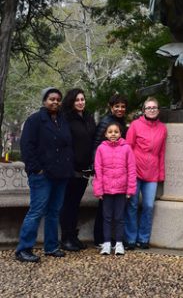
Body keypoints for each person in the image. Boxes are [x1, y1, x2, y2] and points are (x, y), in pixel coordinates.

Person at [15, 87, 74, 262]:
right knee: (36, 211)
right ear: (44, 101)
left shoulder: (63, 120)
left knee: (54, 212)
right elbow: (27, 147)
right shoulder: (34, 120)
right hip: (42, 175)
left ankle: (51, 246)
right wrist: (36, 169)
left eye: (58, 99)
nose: (55, 102)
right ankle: (23, 249)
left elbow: (67, 145)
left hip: (61, 174)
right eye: (51, 99)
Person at [125, 97, 167, 249]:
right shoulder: (135, 125)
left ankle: (143, 238)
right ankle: (130, 239)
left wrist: (161, 174)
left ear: (158, 110)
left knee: (148, 206)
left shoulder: (162, 128)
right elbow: (128, 148)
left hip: (152, 173)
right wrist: (127, 170)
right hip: (135, 171)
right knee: (132, 205)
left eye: (154, 107)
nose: (151, 110)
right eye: (148, 108)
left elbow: (162, 153)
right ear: (144, 110)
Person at [60, 88, 96, 251]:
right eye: (77, 100)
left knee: (75, 205)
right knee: (67, 205)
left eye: (82, 99)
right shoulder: (66, 118)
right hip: (70, 170)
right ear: (71, 102)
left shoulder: (88, 118)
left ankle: (73, 236)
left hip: (84, 170)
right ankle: (66, 238)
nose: (81, 102)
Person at [93, 122, 136, 255]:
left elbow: (131, 169)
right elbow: (98, 170)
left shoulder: (126, 148)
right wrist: (98, 189)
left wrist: (130, 189)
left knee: (119, 217)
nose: (113, 134)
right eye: (110, 132)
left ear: (120, 134)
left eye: (116, 132)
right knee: (106, 217)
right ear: (105, 134)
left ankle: (118, 243)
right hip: (106, 190)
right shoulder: (101, 148)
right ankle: (106, 243)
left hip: (121, 190)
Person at [93, 94, 128, 247]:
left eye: (123, 106)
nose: (120, 109)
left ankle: (108, 238)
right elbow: (96, 147)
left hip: (117, 174)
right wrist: (98, 172)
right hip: (106, 174)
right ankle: (100, 239)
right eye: (117, 106)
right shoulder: (106, 123)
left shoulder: (119, 121)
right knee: (104, 209)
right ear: (111, 107)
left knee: (112, 210)